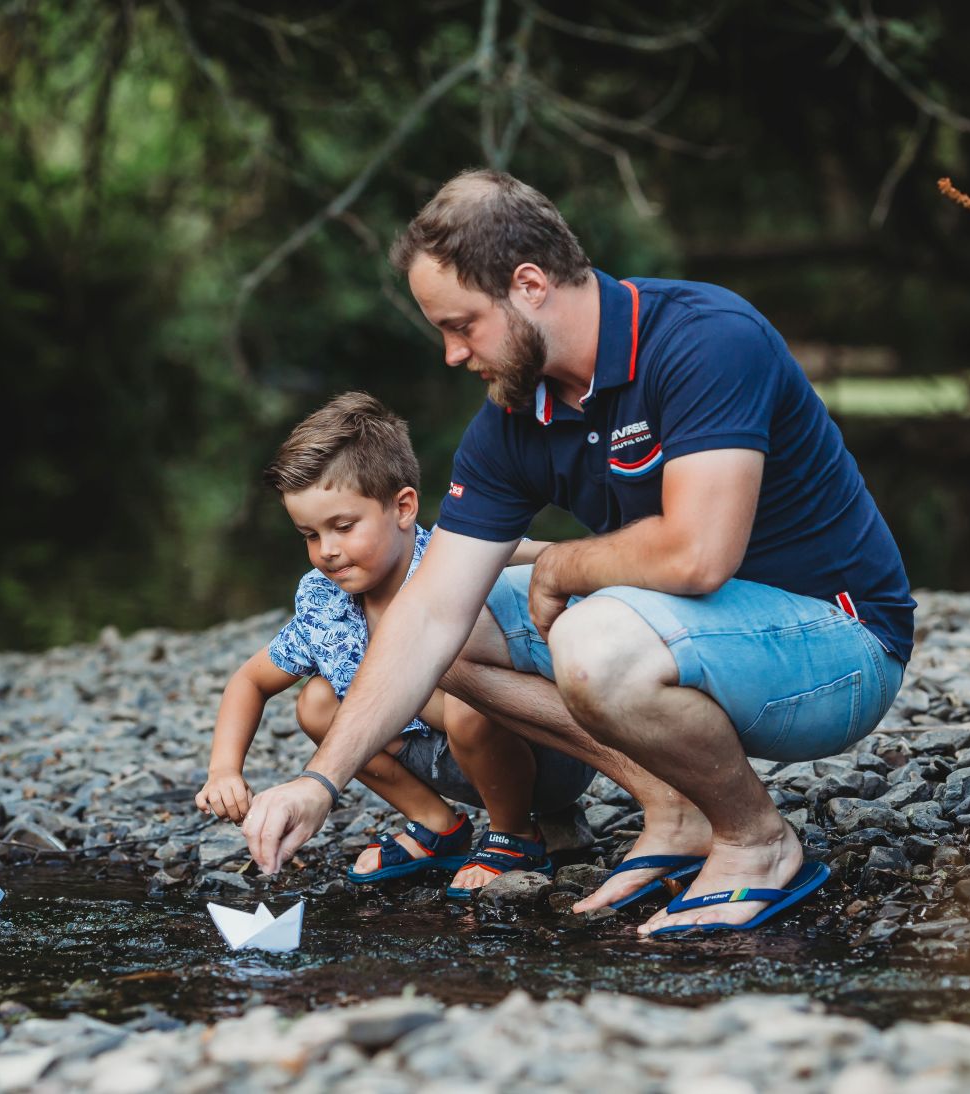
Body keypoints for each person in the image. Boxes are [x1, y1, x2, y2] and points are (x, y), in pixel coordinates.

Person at [240, 170, 915, 938]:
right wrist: (319, 781)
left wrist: (562, 566)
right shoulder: (512, 418)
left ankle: (758, 841)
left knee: (593, 640)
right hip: (693, 634)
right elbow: (428, 614)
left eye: (462, 326)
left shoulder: (705, 338)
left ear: (529, 286)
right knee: (446, 622)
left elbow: (699, 554)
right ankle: (678, 809)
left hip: (837, 648)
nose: (452, 354)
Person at [196, 391, 593, 895]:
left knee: (448, 682)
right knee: (317, 701)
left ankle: (514, 833)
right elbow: (250, 681)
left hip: (543, 755)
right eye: (310, 535)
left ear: (403, 507)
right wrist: (223, 770)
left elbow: (546, 555)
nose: (327, 551)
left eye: (343, 527)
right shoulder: (325, 603)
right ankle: (437, 826)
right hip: (446, 764)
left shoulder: (455, 559)